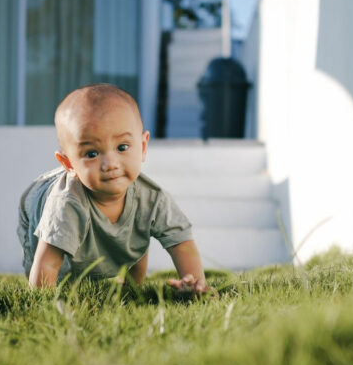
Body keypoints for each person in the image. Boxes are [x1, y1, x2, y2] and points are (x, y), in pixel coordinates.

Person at [17, 83, 209, 294]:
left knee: (137, 228)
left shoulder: (152, 199)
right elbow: (48, 263)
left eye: (122, 147)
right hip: (40, 201)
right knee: (59, 273)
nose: (111, 164)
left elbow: (182, 243)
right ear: (69, 163)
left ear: (143, 147)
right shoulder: (65, 204)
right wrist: (42, 303)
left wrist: (195, 284)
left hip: (126, 223)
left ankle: (131, 288)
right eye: (91, 153)